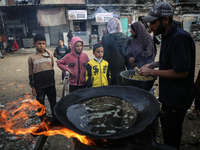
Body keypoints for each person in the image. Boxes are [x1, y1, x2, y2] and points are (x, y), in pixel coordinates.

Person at [140, 2, 198, 149]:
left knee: (171, 137)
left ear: (165, 20)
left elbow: (182, 72)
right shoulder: (167, 35)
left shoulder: (180, 38)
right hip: (168, 95)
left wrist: (152, 72)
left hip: (176, 99)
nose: (150, 28)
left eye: (153, 23)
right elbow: (172, 60)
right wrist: (153, 64)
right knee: (167, 131)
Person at [28, 33, 57, 122]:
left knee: (53, 103)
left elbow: (51, 66)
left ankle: (56, 119)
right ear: (34, 44)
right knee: (40, 104)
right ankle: (43, 121)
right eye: (39, 43)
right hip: (39, 86)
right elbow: (30, 72)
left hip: (51, 84)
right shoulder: (31, 58)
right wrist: (33, 86)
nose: (41, 45)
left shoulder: (50, 53)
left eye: (43, 43)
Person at [101, 18, 128, 85]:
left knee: (109, 82)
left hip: (108, 65)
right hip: (120, 64)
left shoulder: (105, 38)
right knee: (119, 82)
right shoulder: (125, 37)